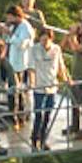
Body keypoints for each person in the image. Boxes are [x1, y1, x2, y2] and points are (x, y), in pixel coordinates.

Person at [30, 21, 65, 150]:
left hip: (52, 85)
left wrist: (66, 79)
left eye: (46, 40)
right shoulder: (34, 49)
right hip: (39, 85)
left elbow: (61, 66)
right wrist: (32, 84)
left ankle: (44, 139)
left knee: (48, 114)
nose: (44, 42)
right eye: (42, 39)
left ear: (51, 39)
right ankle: (34, 139)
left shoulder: (56, 49)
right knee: (38, 113)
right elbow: (31, 68)